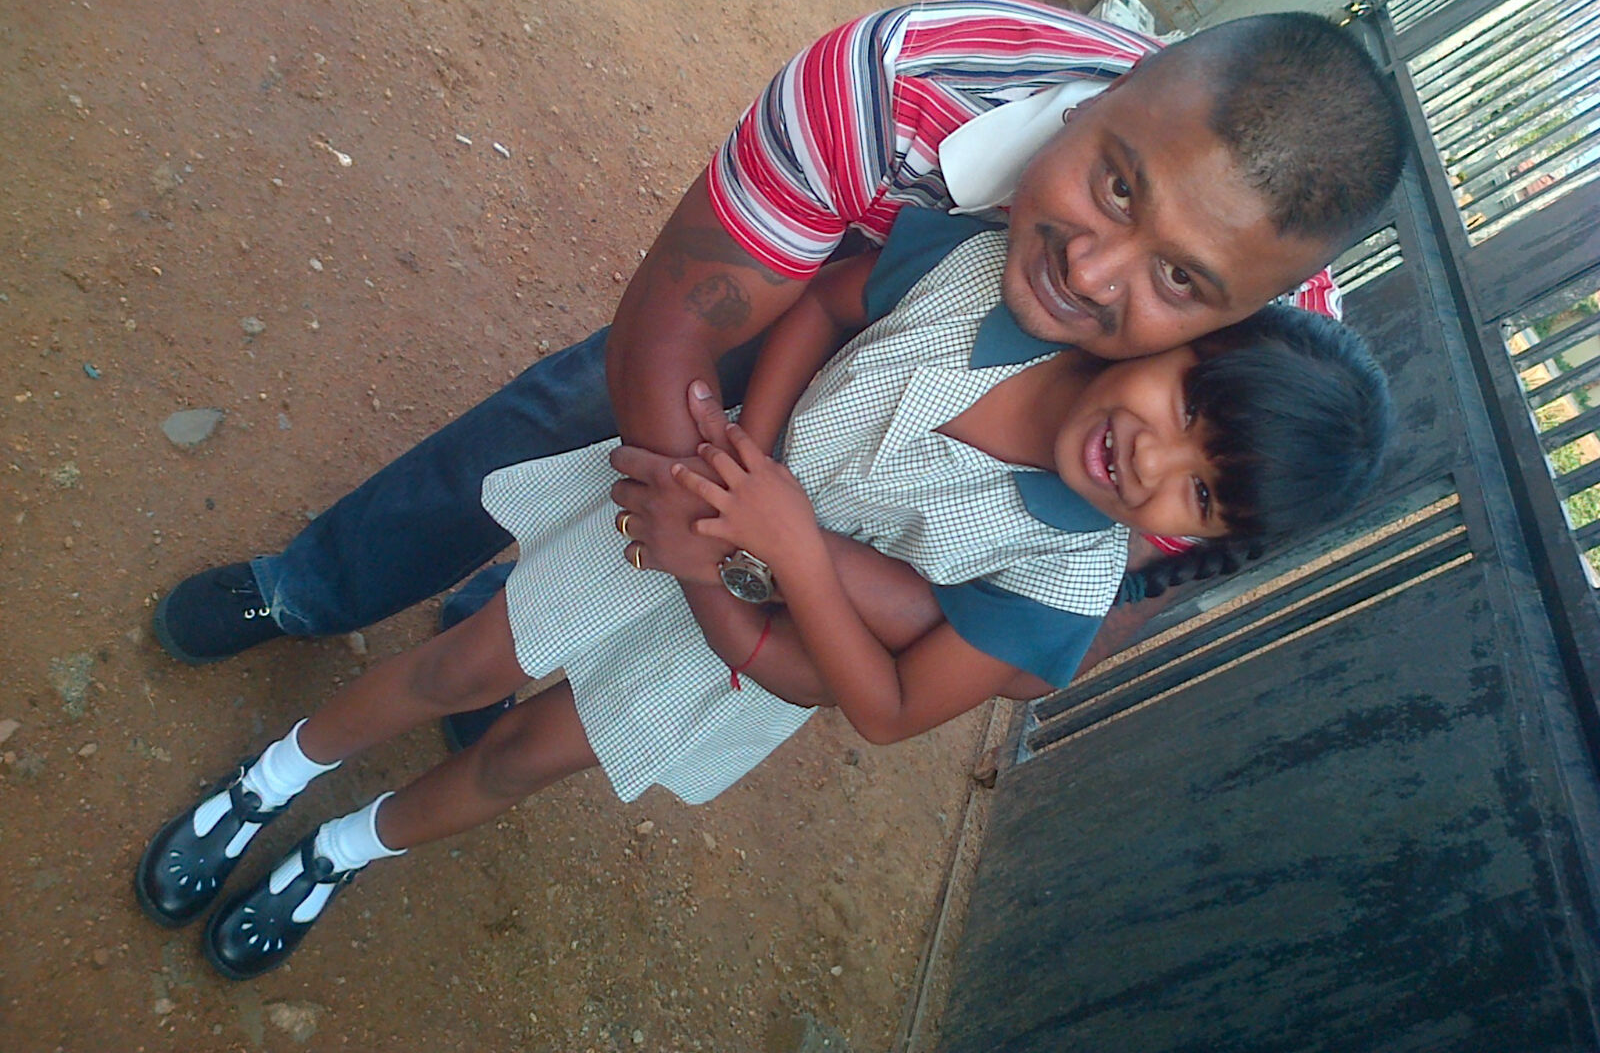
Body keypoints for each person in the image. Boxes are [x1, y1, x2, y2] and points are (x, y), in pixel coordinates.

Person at [135, 207, 1393, 979]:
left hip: (737, 656)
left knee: (521, 757)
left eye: (1200, 494)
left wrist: (766, 557)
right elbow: (829, 304)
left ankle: (342, 850)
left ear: (1199, 537)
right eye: (1189, 407)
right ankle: (272, 780)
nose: (1153, 462)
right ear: (1189, 339)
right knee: (459, 667)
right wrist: (756, 452)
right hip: (675, 515)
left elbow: (885, 704)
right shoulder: (985, 285)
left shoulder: (1065, 578)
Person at [148, 0, 1406, 748]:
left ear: (1241, 320)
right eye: (1114, 184)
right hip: (813, 293)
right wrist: (730, 514)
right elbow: (669, 337)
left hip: (947, 473)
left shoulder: (1260, 383)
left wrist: (783, 568)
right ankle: (314, 587)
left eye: (1179, 281)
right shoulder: (890, 83)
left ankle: (507, 621)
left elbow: (1058, 624)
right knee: (581, 409)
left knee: (630, 605)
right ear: (1105, 86)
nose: (1092, 270)